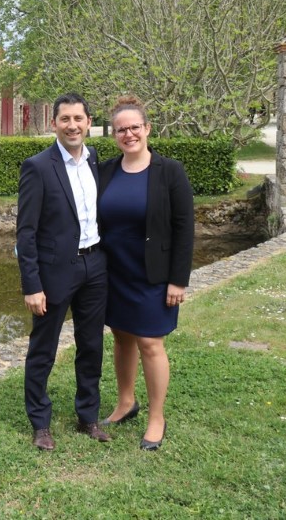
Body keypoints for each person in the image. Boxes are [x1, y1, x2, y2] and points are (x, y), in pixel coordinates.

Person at [97, 95, 194, 451]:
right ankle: (126, 402)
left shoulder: (170, 172)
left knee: (151, 343)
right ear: (114, 135)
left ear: (147, 128)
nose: (129, 134)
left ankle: (156, 417)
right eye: (121, 130)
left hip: (153, 274)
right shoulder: (106, 170)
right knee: (121, 338)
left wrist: (178, 279)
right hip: (114, 271)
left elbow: (184, 228)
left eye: (135, 127)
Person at [16, 92, 111, 451]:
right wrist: (32, 285)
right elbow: (25, 232)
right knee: (44, 348)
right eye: (65, 119)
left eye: (78, 118)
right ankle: (40, 423)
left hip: (95, 266)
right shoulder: (38, 167)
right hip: (55, 271)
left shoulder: (93, 160)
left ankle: (88, 417)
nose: (72, 125)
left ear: (89, 123)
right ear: (53, 123)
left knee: (91, 345)